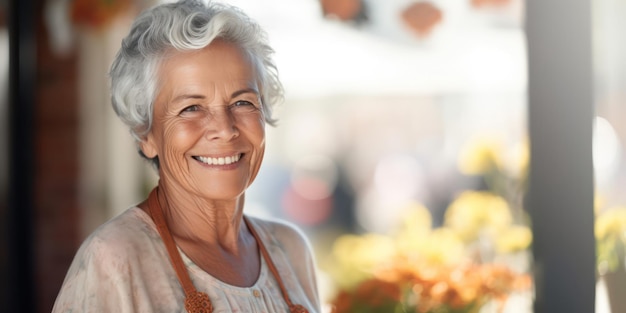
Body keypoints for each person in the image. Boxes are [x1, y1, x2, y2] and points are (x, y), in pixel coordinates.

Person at [52, 0, 320, 312]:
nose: (225, 129)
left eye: (243, 102)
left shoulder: (289, 249)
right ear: (146, 135)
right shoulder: (115, 257)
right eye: (191, 108)